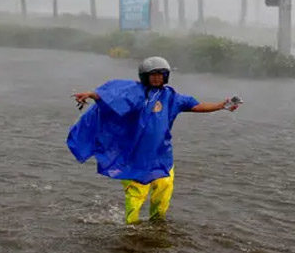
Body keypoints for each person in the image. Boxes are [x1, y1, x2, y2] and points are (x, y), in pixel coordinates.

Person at [67, 56, 240, 224]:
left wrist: (221, 105)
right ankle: (131, 230)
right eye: (153, 74)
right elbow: (111, 96)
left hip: (162, 156)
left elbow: (197, 106)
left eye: (161, 74)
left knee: (164, 192)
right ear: (145, 76)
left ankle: (157, 225)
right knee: (136, 196)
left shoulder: (172, 97)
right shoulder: (134, 93)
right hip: (135, 157)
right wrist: (91, 94)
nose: (157, 78)